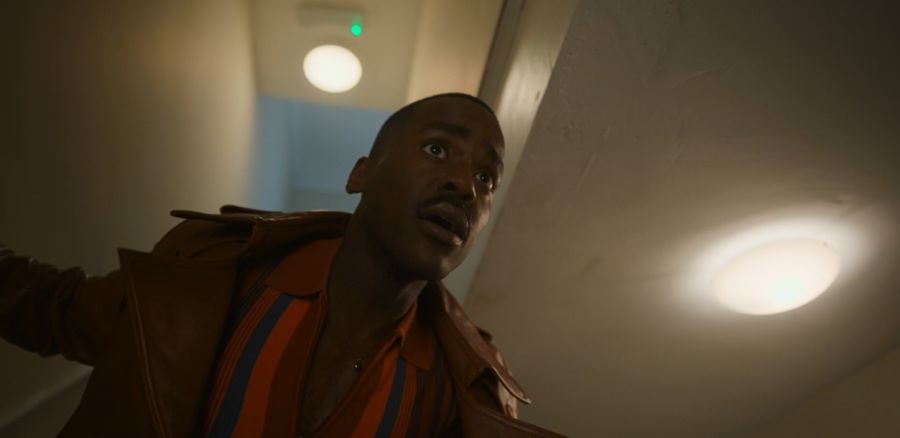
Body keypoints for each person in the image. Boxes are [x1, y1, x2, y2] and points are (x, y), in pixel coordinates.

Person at [0, 93, 563, 437]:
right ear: (361, 174)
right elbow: (51, 308)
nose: (465, 185)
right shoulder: (216, 276)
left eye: (486, 177)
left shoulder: (457, 395)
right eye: (439, 149)